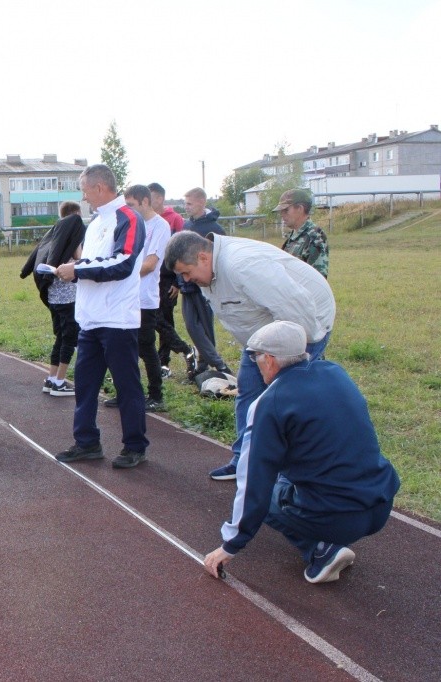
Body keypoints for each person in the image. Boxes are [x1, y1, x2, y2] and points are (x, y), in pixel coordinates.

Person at [203, 321, 399, 584]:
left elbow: (252, 481)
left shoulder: (269, 403)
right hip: (382, 503)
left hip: (340, 517)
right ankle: (325, 536)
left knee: (268, 494)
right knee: (288, 479)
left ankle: (320, 550)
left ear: (269, 360)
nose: (254, 363)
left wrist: (231, 544)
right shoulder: (336, 373)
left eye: (254, 357)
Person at [166, 231, 335, 482]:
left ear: (203, 256)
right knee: (248, 392)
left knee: (287, 398)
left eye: (187, 272)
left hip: (302, 328)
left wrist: (301, 353)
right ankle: (244, 460)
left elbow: (297, 308)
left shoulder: (243, 265)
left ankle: (295, 471)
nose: (186, 280)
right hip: (262, 337)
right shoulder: (209, 272)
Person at [54, 164, 148, 469]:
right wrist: (72, 268)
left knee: (126, 386)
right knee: (85, 384)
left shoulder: (129, 217)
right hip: (91, 319)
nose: (82, 195)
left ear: (99, 188)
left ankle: (135, 445)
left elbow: (123, 263)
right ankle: (87, 442)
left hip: (118, 320)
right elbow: (95, 262)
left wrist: (78, 269)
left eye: (84, 188)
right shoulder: (94, 224)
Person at [104, 185, 172, 412]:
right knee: (121, 347)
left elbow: (151, 264)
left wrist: (120, 271)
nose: (128, 209)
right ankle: (127, 392)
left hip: (144, 298)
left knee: (145, 346)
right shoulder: (129, 223)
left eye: (132, 205)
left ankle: (156, 395)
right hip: (123, 296)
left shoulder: (160, 226)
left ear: (145, 201)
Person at [19, 201, 86, 397]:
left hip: (53, 297)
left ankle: (51, 378)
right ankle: (59, 382)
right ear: (76, 215)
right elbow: (81, 258)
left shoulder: (54, 234)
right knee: (69, 337)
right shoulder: (72, 235)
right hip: (68, 297)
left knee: (60, 337)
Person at [179, 188, 229, 377]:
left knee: (206, 326)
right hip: (187, 284)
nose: (186, 207)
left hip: (205, 285)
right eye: (185, 203)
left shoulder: (214, 229)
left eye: (190, 203)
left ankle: (205, 364)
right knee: (192, 325)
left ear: (201, 202)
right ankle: (215, 362)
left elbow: (221, 256)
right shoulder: (186, 226)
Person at [146, 184, 192, 376]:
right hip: (150, 278)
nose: (150, 202)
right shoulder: (145, 220)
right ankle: (184, 349)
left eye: (153, 198)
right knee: (154, 319)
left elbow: (181, 252)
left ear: (161, 198)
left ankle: (164, 362)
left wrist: (176, 281)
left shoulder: (174, 220)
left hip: (167, 278)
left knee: (164, 318)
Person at [275, 188, 329, 278]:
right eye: (281, 211)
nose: (282, 214)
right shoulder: (293, 236)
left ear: (300, 208)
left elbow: (316, 281)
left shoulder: (315, 236)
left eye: (286, 210)